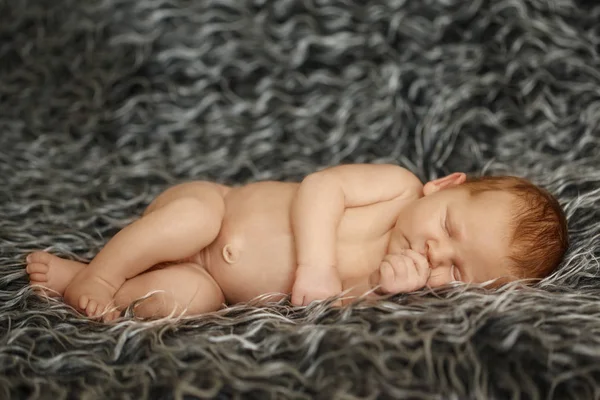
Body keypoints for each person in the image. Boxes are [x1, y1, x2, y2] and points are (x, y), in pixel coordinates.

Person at [25, 164, 569, 322]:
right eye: (449, 230)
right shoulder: (398, 187)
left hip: (214, 279)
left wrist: (383, 289)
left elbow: (335, 305)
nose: (435, 254)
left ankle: (92, 289)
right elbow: (320, 188)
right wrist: (314, 263)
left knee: (184, 302)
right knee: (186, 220)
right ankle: (100, 271)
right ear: (445, 185)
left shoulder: (406, 282)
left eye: (458, 270)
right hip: (217, 211)